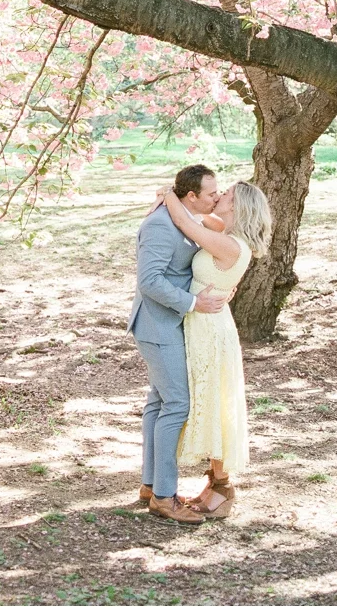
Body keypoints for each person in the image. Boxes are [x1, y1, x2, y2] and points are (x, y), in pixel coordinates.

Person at [127, 164, 238, 525]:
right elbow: (149, 281)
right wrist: (194, 303)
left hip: (171, 324)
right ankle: (164, 497)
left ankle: (150, 486)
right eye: (211, 193)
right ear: (191, 196)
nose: (217, 196)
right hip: (158, 325)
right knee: (177, 404)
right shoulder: (160, 225)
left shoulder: (187, 216)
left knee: (159, 403)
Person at [163, 181, 273, 518]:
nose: (219, 195)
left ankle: (224, 487)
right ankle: (215, 481)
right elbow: (197, 218)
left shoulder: (231, 245)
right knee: (206, 401)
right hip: (204, 323)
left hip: (210, 330)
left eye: (226, 195)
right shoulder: (223, 233)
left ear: (238, 207)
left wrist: (169, 192)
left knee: (214, 404)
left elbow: (184, 223)